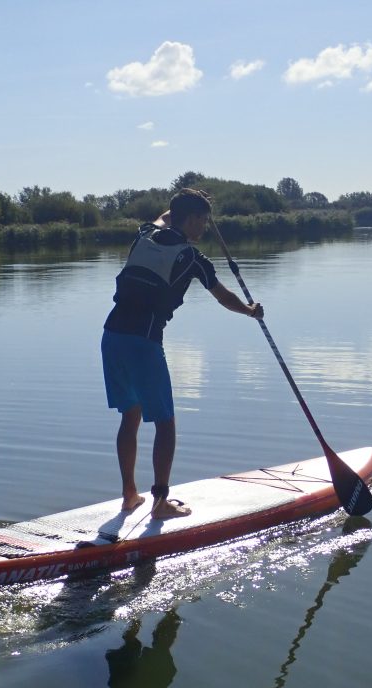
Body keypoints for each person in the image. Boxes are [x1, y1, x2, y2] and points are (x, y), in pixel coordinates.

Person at [101, 188, 263, 519]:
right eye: (202, 219)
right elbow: (223, 297)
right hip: (143, 343)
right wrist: (250, 311)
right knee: (165, 423)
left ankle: (130, 494)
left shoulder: (147, 233)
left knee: (130, 416)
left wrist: (188, 197)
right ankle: (160, 504)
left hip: (111, 336)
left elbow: (167, 215)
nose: (205, 227)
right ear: (189, 219)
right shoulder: (191, 258)